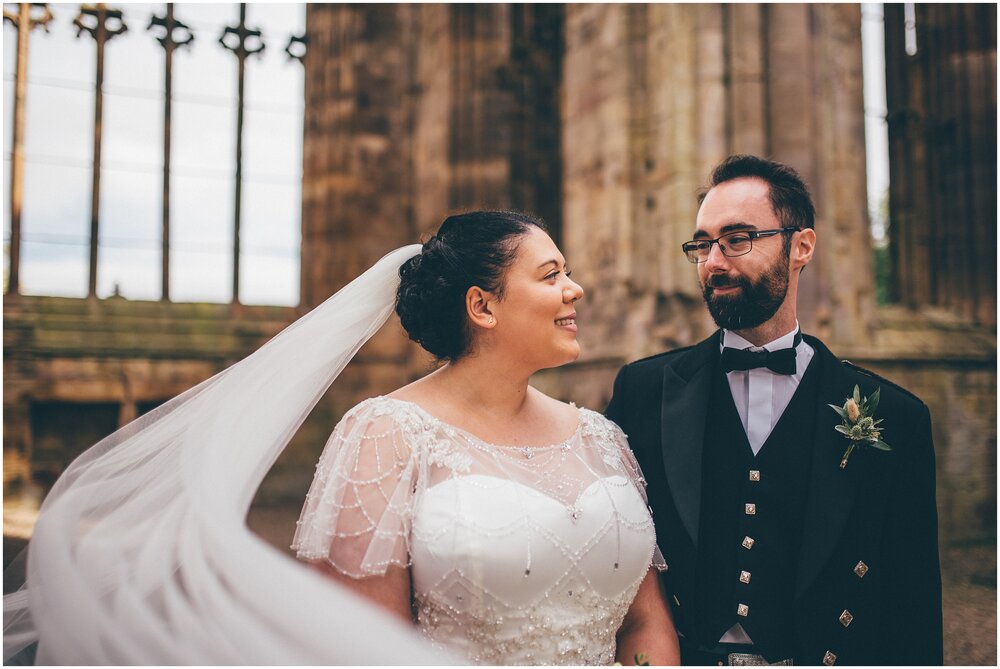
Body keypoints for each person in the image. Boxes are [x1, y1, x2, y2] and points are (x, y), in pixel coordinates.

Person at [293, 210, 679, 665]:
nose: (574, 289)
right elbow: (370, 646)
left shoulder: (603, 438)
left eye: (567, 274)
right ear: (482, 307)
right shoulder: (386, 434)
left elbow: (646, 621)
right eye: (550, 275)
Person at [605, 155, 943, 666]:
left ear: (801, 246)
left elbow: (910, 605)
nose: (714, 262)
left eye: (738, 239)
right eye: (702, 245)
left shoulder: (896, 417)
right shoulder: (642, 391)